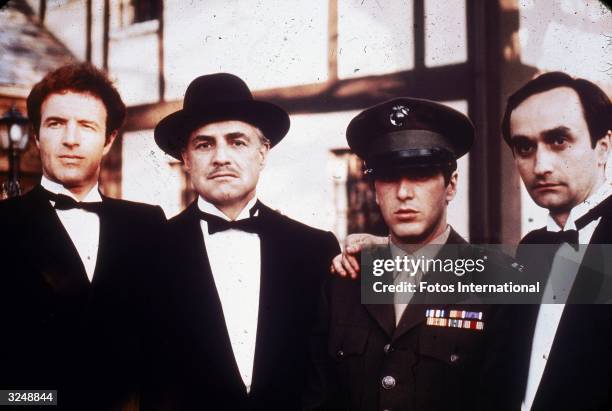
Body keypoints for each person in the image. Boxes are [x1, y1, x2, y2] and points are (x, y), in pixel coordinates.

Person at [304, 98, 519, 410]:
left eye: (420, 175)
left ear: (451, 185)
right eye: (389, 177)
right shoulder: (345, 281)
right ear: (375, 190)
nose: (403, 193)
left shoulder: (497, 280)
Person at [149, 73, 340, 410]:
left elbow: (328, 375)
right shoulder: (149, 249)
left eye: (237, 141)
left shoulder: (315, 249)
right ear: (186, 158)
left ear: (263, 152)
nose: (221, 157)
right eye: (204, 144)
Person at [0, 63, 166, 410]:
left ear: (108, 140)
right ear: (35, 135)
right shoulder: (4, 223)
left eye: (87, 126)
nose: (70, 139)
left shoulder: (148, 225)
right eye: (56, 123)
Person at [501, 71, 612, 410]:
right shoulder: (533, 246)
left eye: (559, 141)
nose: (541, 165)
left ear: (602, 147)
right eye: (525, 146)